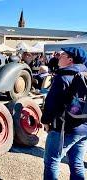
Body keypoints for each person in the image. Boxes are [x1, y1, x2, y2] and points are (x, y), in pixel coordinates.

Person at [41, 47, 87, 179]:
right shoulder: (85, 74)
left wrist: (45, 121)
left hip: (64, 128)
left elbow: (51, 103)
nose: (59, 56)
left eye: (63, 54)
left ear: (70, 60)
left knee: (52, 161)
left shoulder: (63, 77)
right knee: (77, 163)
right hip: (83, 127)